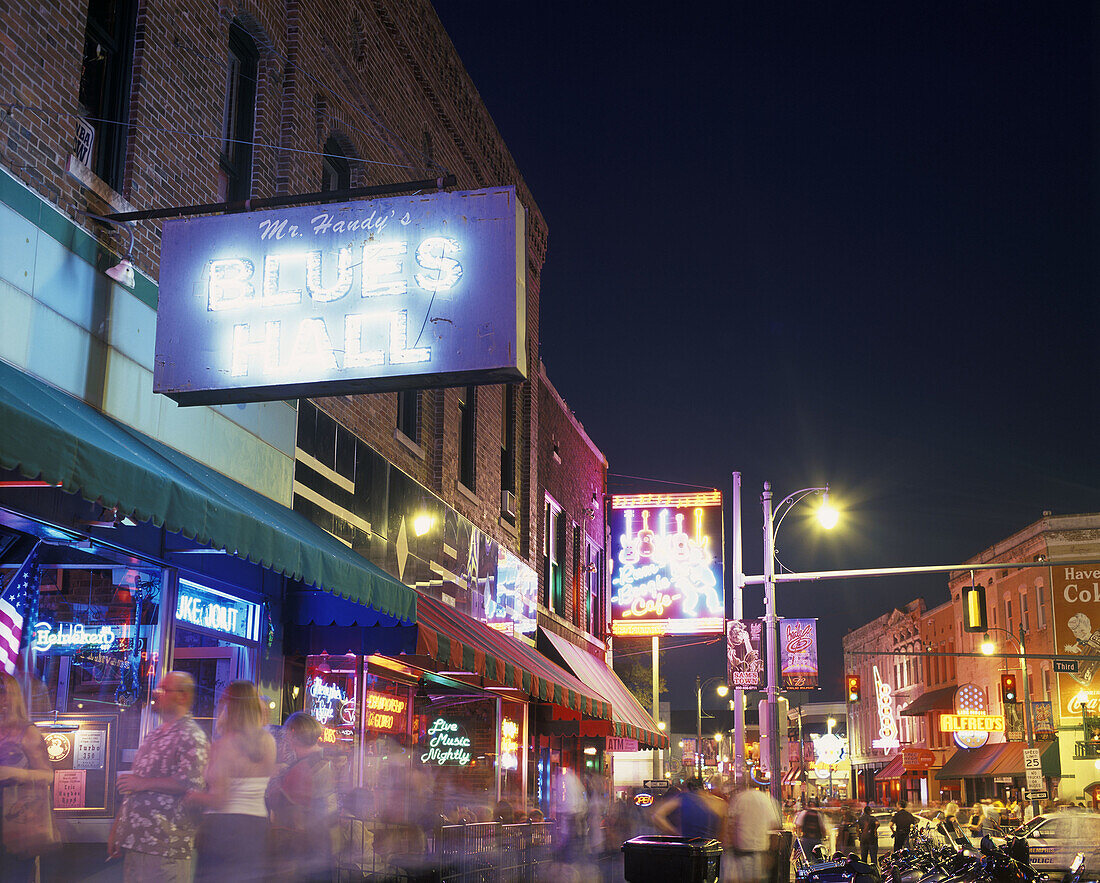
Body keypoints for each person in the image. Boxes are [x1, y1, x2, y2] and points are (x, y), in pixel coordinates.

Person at [109, 671, 209, 883]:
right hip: (137, 842)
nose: (156, 694)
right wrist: (119, 829)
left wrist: (142, 783)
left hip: (165, 845)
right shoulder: (154, 734)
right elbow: (134, 786)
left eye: (163, 689)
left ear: (182, 696)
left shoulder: (191, 735)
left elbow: (191, 782)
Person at [185, 680, 277, 882]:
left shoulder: (224, 745)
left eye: (222, 701)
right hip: (256, 825)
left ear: (230, 706)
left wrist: (192, 796)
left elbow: (220, 800)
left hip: (224, 829)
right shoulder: (268, 742)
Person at [266, 712, 337, 882]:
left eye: (287, 735)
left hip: (305, 853)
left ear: (292, 734)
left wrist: (273, 784)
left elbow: (282, 806)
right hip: (324, 846)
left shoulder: (302, 768)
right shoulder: (324, 762)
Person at [0, 671, 54, 881]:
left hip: (14, 822)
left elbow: (48, 776)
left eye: (3, 693)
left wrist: (13, 773)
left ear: (10, 697)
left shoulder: (26, 731)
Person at [723, 783, 781, 883]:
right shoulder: (767, 800)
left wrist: (729, 848)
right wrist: (771, 854)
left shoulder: (739, 799)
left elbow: (730, 827)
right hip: (760, 855)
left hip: (741, 854)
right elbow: (775, 830)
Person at [653, 777, 725, 840]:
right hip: (711, 848)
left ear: (688, 788)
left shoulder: (684, 798)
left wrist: (675, 833)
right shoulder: (719, 803)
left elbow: (657, 816)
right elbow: (723, 834)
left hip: (688, 847)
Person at [794, 798, 826, 862]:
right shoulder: (818, 814)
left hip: (807, 839)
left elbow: (798, 825)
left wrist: (798, 835)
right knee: (817, 859)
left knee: (807, 859)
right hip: (816, 839)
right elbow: (822, 827)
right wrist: (824, 836)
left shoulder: (804, 813)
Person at [857, 803, 879, 868]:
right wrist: (875, 830)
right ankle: (874, 869)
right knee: (873, 856)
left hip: (863, 839)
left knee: (863, 856)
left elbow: (857, 828)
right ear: (869, 811)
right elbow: (877, 823)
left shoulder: (861, 818)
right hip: (872, 838)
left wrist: (859, 836)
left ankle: (863, 869)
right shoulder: (872, 818)